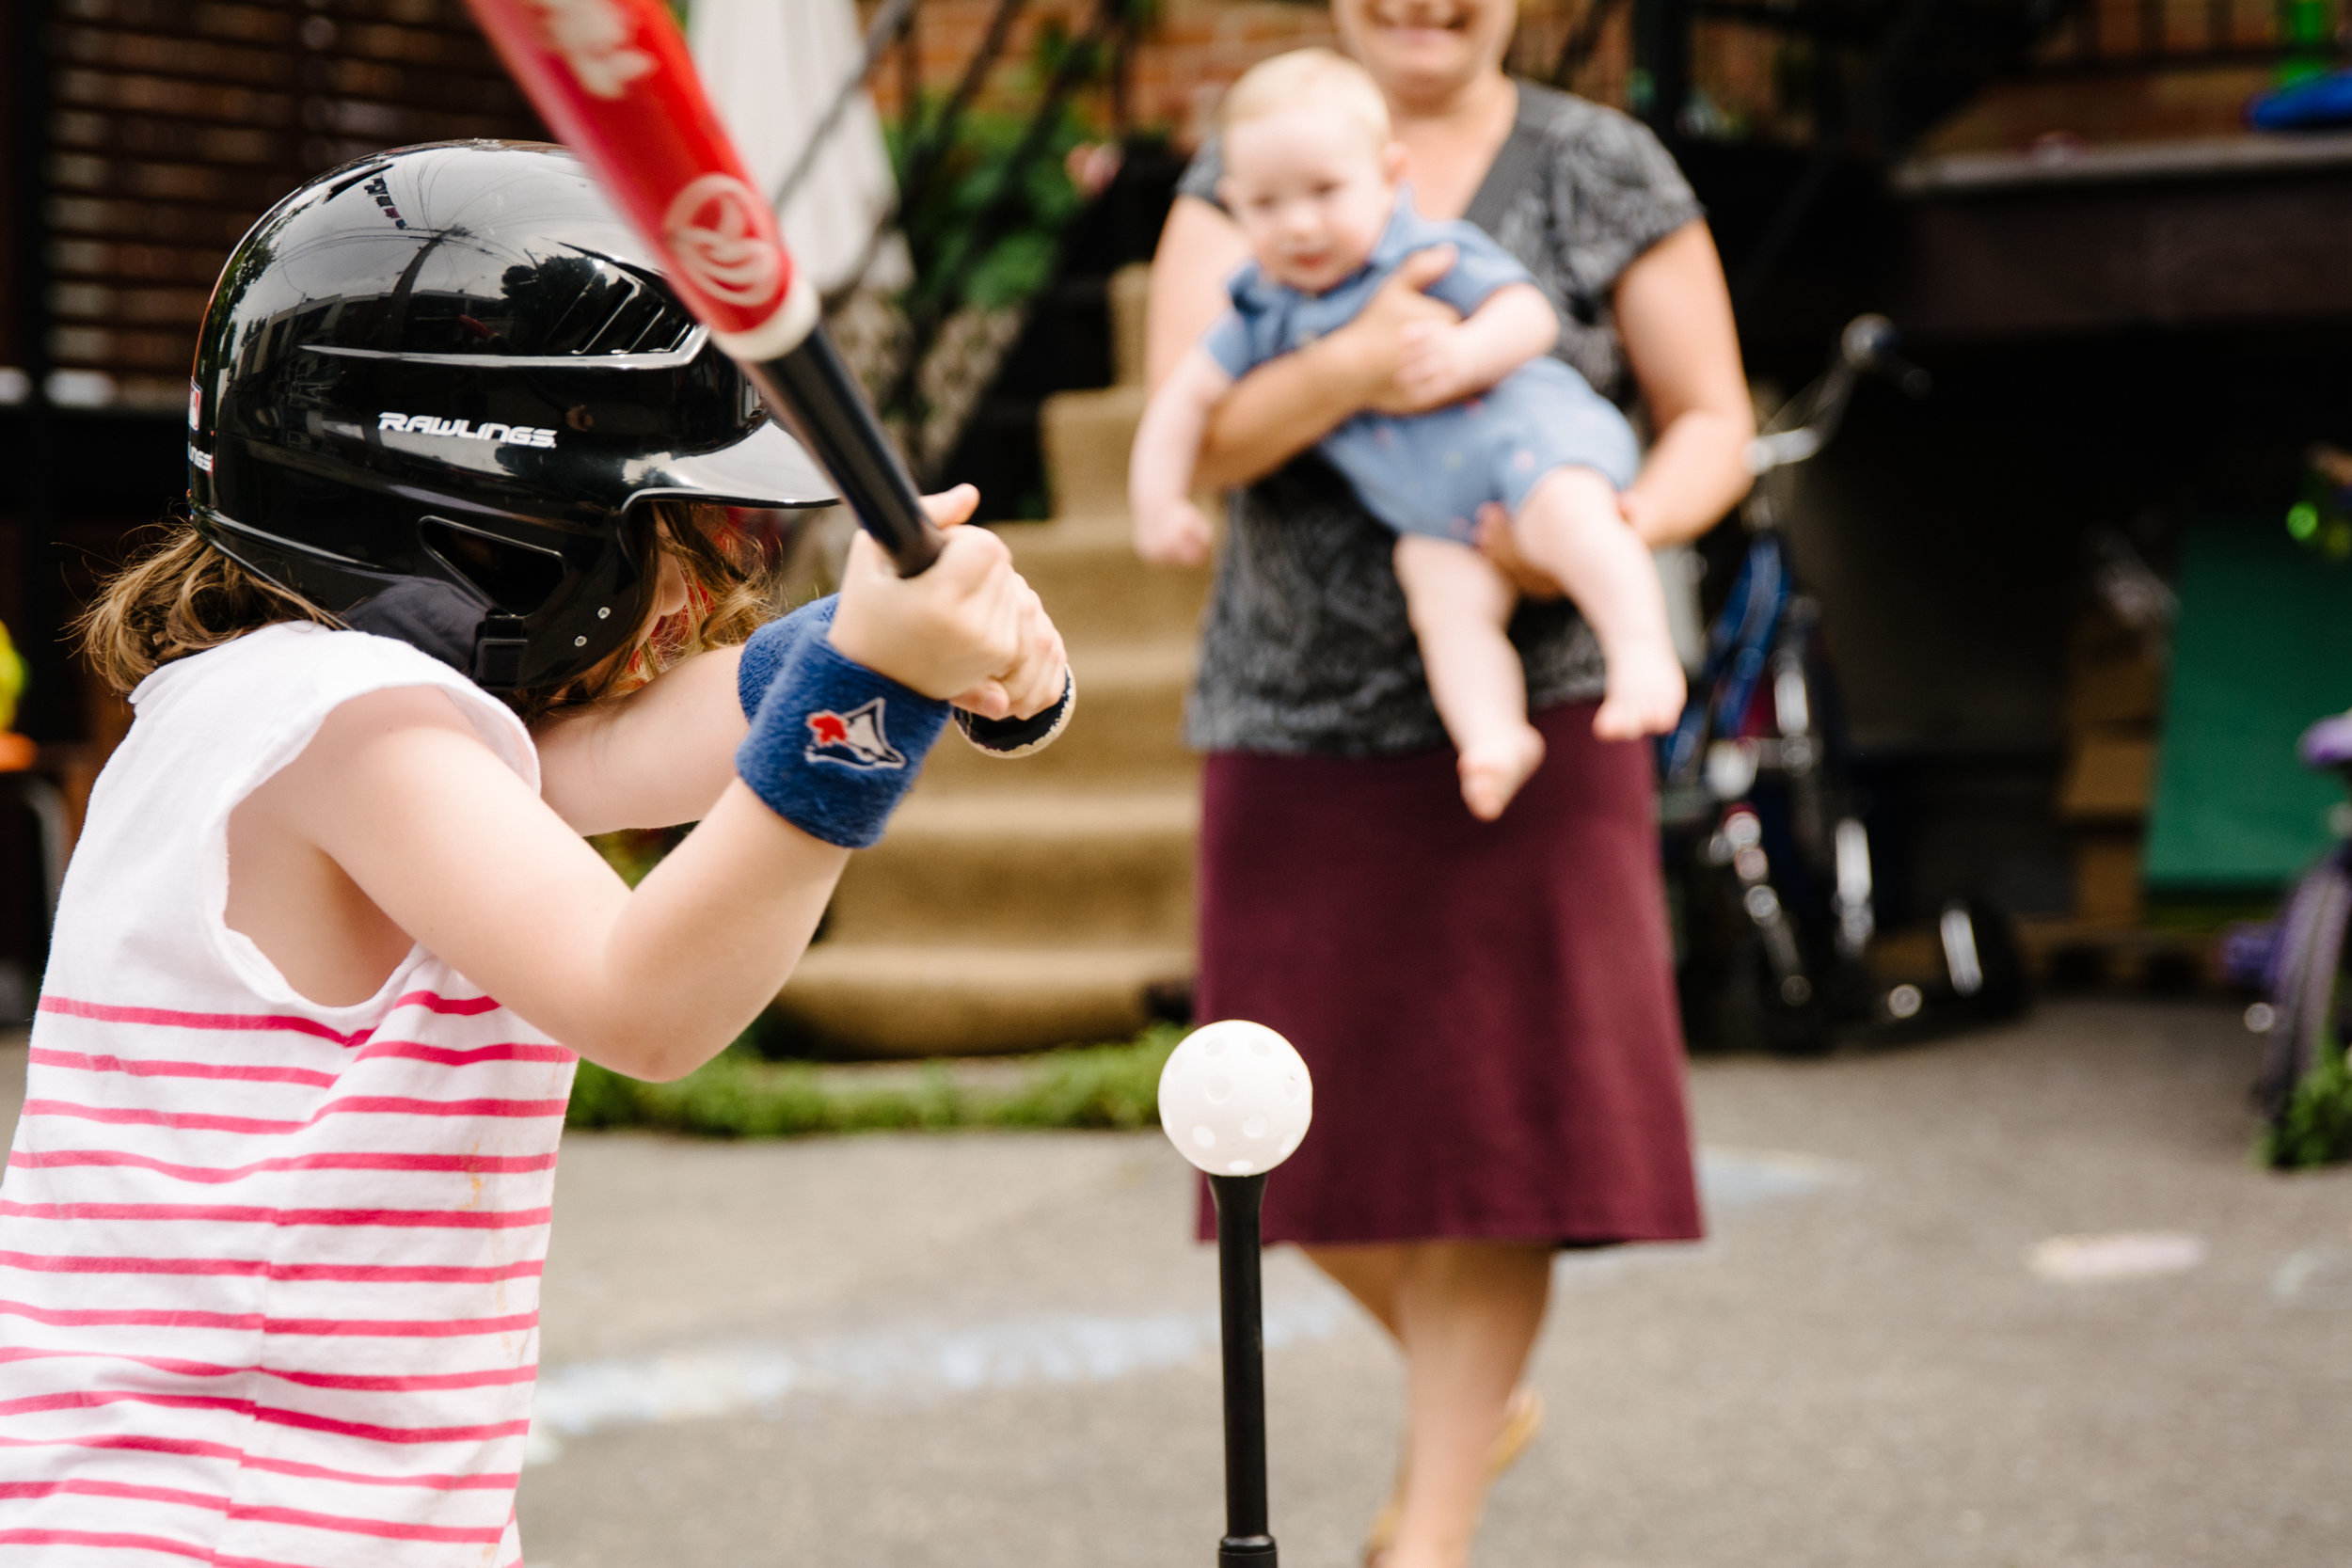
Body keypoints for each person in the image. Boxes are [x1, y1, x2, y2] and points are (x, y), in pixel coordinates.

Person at [0, 142, 1064, 1567]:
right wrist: (859, 701)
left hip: (298, 1506)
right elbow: (649, 999)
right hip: (227, 1517)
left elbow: (629, 751)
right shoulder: (358, 737)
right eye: (681, 541)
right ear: (503, 532)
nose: (709, 598)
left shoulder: (282, 712)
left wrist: (903, 654)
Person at [1140, 4, 1756, 1565]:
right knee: (1288, 1139)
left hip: (1536, 721)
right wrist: (1357, 359)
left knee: (1501, 1137)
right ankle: (1462, 1394)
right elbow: (1203, 440)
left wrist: (1595, 525)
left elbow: (1713, 424)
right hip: (1290, 717)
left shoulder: (1603, 164)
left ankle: (1432, 1525)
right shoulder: (1245, 172)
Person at [1129, 48, 1682, 821]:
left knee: (1573, 520)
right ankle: (1493, 736)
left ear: (1391, 177)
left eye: (1325, 191)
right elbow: (1182, 402)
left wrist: (1464, 353)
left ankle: (1641, 651)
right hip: (1436, 521)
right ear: (1233, 203)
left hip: (1534, 454)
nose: (1300, 224)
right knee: (1443, 600)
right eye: (1266, 204)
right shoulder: (1261, 307)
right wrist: (1156, 503)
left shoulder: (1425, 249)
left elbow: (1527, 315)